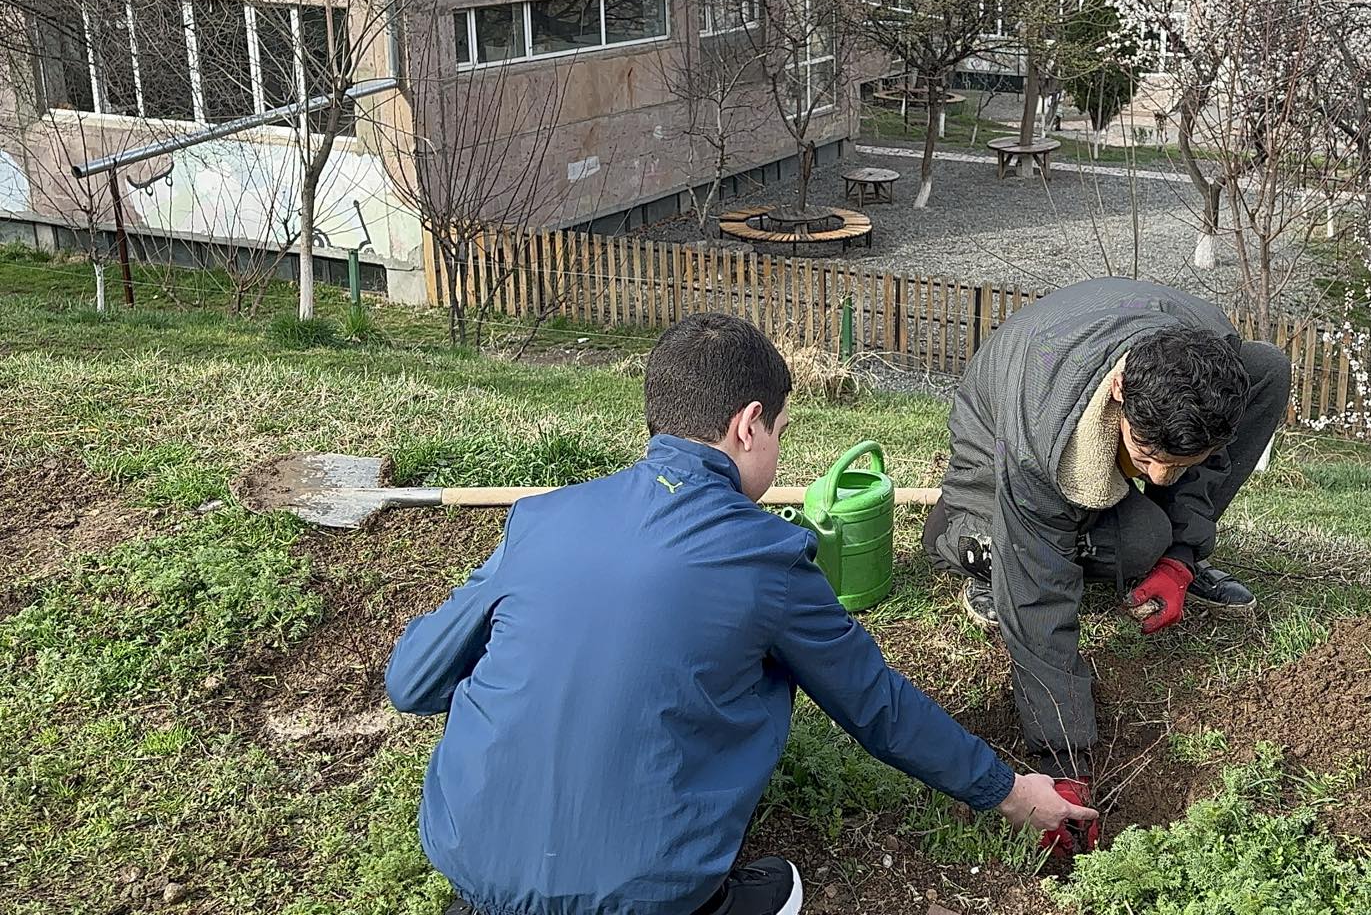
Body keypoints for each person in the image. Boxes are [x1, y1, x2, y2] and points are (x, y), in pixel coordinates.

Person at [385, 313, 1094, 915]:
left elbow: (412, 684)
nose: (779, 444)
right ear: (747, 426)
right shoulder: (767, 556)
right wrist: (1006, 791)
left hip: (470, 858)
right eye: (783, 429)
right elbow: (877, 705)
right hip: (642, 890)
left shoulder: (539, 520)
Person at [922, 277, 1290, 850]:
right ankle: (973, 542)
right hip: (992, 464)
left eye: (1182, 463)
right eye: (1148, 456)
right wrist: (1063, 763)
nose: (1163, 478)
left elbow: (1190, 452)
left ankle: (1156, 540)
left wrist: (1181, 559)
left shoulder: (1213, 357)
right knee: (1117, 542)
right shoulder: (1038, 431)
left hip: (1091, 404)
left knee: (1268, 367)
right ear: (1118, 389)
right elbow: (1040, 599)